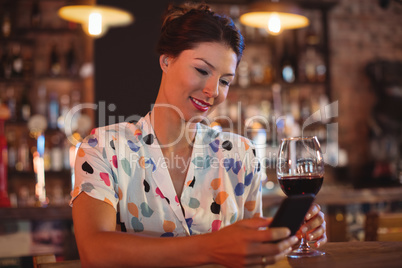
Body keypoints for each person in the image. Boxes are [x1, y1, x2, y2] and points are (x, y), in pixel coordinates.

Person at [71, 3, 327, 267]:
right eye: (202, 70)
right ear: (166, 60)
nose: (213, 90)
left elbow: (250, 255)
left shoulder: (241, 154)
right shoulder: (103, 148)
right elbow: (95, 252)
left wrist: (285, 238)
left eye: (225, 81)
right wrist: (211, 248)